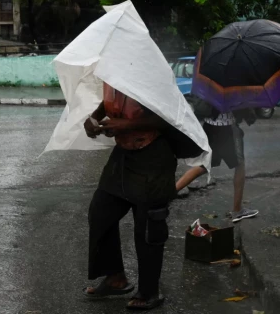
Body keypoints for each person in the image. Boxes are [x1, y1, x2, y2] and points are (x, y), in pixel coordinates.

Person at [84, 82, 183, 311]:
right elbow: (110, 102)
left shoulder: (148, 70)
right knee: (100, 213)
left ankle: (149, 291)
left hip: (154, 155)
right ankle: (115, 278)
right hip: (124, 154)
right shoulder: (112, 71)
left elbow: (167, 117)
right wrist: (94, 119)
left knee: (148, 226)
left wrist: (127, 124)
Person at [174, 107, 258, 222]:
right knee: (239, 166)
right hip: (228, 130)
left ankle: (169, 194)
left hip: (209, 127)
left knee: (204, 165)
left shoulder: (209, 88)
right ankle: (237, 210)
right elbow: (241, 107)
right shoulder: (231, 90)